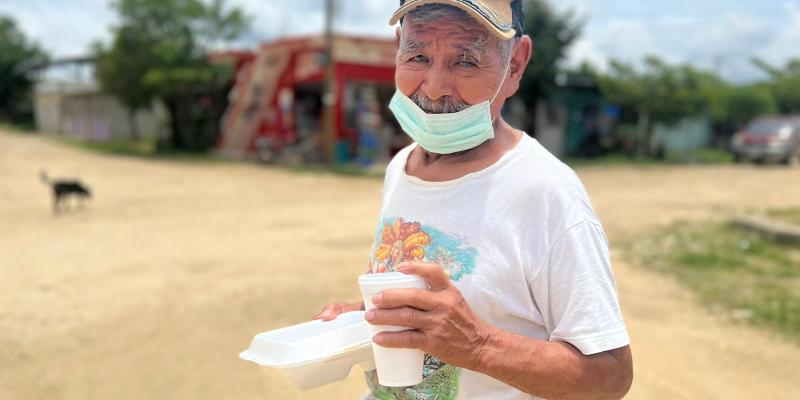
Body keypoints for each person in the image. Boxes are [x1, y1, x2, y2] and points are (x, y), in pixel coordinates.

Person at [314, 1, 633, 399]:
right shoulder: (402, 166)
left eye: (465, 62)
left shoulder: (546, 192)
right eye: (417, 56)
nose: (433, 86)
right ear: (398, 48)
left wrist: (478, 345)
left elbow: (610, 376)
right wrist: (367, 319)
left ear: (515, 64)